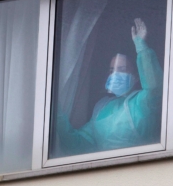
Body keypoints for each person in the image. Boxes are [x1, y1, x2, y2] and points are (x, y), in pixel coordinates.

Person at [56, 18, 163, 155]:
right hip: (107, 172)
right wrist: (56, 114)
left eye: (122, 69)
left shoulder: (142, 102)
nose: (115, 75)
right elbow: (78, 144)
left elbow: (155, 87)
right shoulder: (101, 108)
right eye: (112, 70)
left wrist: (141, 48)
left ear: (136, 76)